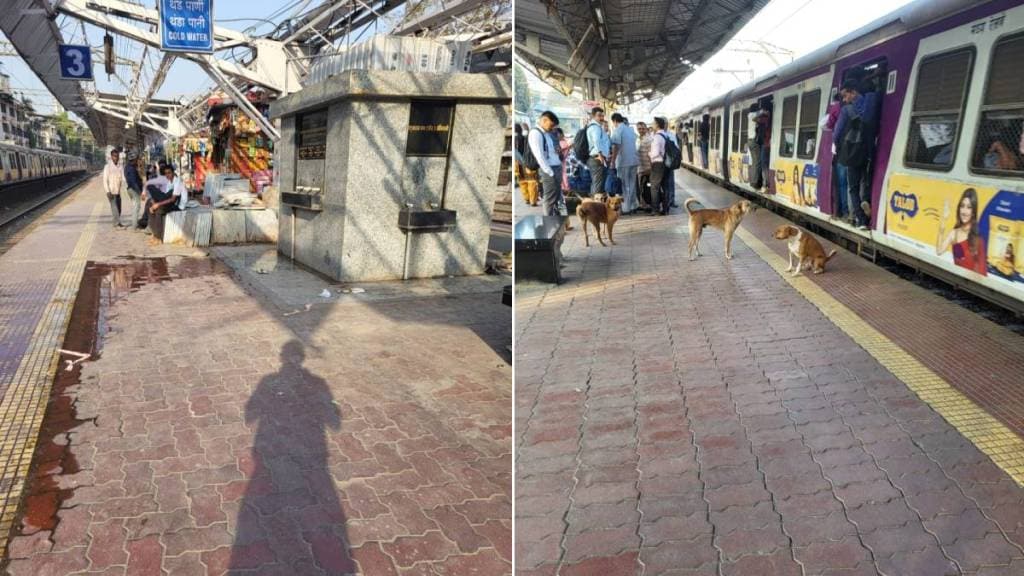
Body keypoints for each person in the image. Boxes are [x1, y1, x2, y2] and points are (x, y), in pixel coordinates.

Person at [834, 78, 881, 229]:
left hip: (853, 153)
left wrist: (839, 146)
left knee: (852, 188)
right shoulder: (872, 103)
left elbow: (837, 133)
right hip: (869, 150)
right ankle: (866, 200)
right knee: (866, 182)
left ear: (853, 92)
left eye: (845, 95)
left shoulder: (846, 110)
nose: (844, 99)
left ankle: (861, 220)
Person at [936, 188, 987, 276]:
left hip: (972, 284)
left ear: (973, 212)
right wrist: (944, 219)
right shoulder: (954, 233)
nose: (964, 211)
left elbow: (982, 270)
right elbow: (939, 251)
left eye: (969, 207)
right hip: (958, 280)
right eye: (962, 206)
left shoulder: (978, 239)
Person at [529, 111, 563, 217]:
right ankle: (548, 224)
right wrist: (550, 173)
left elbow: (548, 151)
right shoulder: (535, 133)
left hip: (556, 167)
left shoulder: (546, 133)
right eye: (551, 125)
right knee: (550, 198)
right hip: (549, 169)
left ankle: (562, 222)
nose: (552, 128)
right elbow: (539, 156)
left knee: (559, 197)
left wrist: (556, 151)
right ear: (544, 120)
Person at [144, 164, 188, 239]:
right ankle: (152, 231)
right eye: (166, 173)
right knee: (149, 203)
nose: (167, 175)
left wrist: (158, 204)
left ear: (173, 173)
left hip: (178, 206)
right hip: (170, 201)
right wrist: (155, 201)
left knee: (158, 209)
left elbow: (173, 199)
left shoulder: (177, 182)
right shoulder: (169, 182)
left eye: (169, 173)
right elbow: (165, 196)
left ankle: (158, 237)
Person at [825, 92, 849, 221]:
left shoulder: (839, 108)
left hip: (842, 152)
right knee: (852, 184)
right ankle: (853, 213)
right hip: (857, 152)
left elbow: (830, 126)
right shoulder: (859, 107)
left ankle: (843, 211)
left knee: (841, 183)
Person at [610, 113, 639, 214]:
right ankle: (634, 205)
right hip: (634, 161)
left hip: (623, 161)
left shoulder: (617, 130)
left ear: (614, 121)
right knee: (632, 184)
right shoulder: (630, 130)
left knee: (624, 185)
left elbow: (615, 147)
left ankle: (626, 208)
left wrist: (613, 161)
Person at [648, 117, 673, 216]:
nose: (652, 125)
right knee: (665, 186)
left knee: (654, 187)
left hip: (658, 164)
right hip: (666, 164)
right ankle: (666, 208)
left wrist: (649, 153)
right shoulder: (666, 135)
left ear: (657, 125)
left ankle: (655, 209)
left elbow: (655, 153)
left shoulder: (657, 137)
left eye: (653, 123)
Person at [585, 107, 611, 197]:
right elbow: (596, 141)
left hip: (599, 158)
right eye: (599, 116)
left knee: (598, 183)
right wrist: (600, 155)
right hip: (597, 158)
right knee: (598, 184)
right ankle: (594, 207)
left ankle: (595, 206)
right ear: (593, 116)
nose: (601, 118)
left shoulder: (598, 127)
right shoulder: (595, 127)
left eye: (602, 116)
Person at [514, 123, 539, 206]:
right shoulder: (526, 138)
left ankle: (527, 198)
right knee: (531, 182)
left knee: (522, 182)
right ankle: (533, 201)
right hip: (528, 163)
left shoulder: (514, 139)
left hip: (518, 165)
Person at [102, 148, 127, 228]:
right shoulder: (107, 167)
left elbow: (123, 177)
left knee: (119, 208)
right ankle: (117, 224)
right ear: (111, 157)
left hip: (118, 191)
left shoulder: (120, 166)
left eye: (117, 156)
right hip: (111, 191)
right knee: (114, 208)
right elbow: (105, 180)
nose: (116, 158)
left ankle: (116, 222)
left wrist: (128, 184)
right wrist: (107, 191)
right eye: (114, 156)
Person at [124, 152, 145, 229]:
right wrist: (139, 192)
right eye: (136, 159)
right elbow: (133, 182)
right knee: (137, 207)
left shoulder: (127, 167)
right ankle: (134, 225)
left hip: (130, 189)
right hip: (134, 190)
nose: (137, 161)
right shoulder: (131, 169)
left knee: (134, 206)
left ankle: (134, 223)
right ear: (134, 160)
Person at [637, 122, 653, 211]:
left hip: (647, 167)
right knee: (641, 187)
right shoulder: (637, 139)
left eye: (643, 128)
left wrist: (651, 167)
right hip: (640, 167)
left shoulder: (649, 139)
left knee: (647, 187)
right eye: (639, 129)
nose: (641, 130)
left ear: (646, 129)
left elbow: (650, 154)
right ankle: (642, 204)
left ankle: (648, 204)